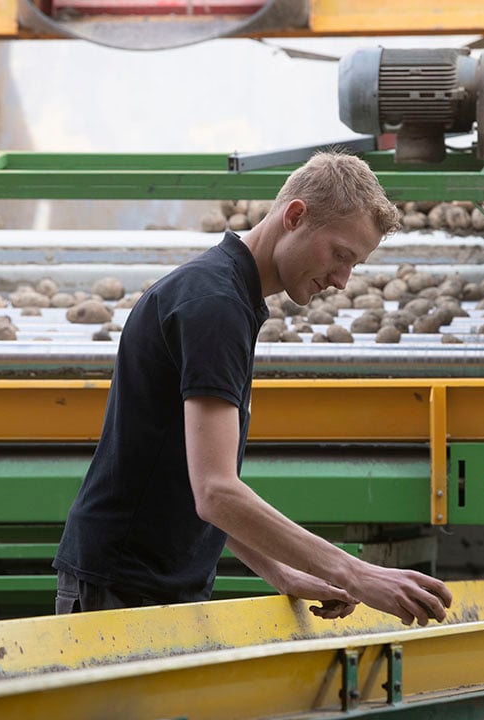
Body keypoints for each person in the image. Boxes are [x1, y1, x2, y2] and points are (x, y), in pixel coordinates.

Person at [53, 151, 453, 625]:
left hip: (138, 583)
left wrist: (280, 571)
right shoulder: (215, 306)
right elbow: (216, 491)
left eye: (355, 265)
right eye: (341, 255)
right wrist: (356, 572)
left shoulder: (225, 295)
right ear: (295, 216)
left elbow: (194, 473)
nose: (343, 281)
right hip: (123, 591)